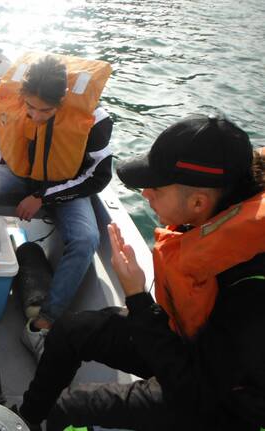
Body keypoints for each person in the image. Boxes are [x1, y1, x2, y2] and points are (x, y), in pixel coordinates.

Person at [16, 114, 265, 430]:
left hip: (223, 402)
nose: (145, 194)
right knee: (70, 330)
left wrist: (136, 295)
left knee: (73, 408)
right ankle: (26, 419)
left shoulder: (253, 290)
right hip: (186, 349)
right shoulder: (214, 216)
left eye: (156, 189)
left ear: (200, 202)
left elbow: (195, 389)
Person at [0, 53, 114, 360]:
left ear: (63, 101)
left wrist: (44, 197)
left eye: (44, 110)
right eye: (30, 106)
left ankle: (44, 321)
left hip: (68, 186)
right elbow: (6, 148)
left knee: (86, 240)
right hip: (20, 175)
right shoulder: (21, 104)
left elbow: (98, 177)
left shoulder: (95, 120)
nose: (35, 115)